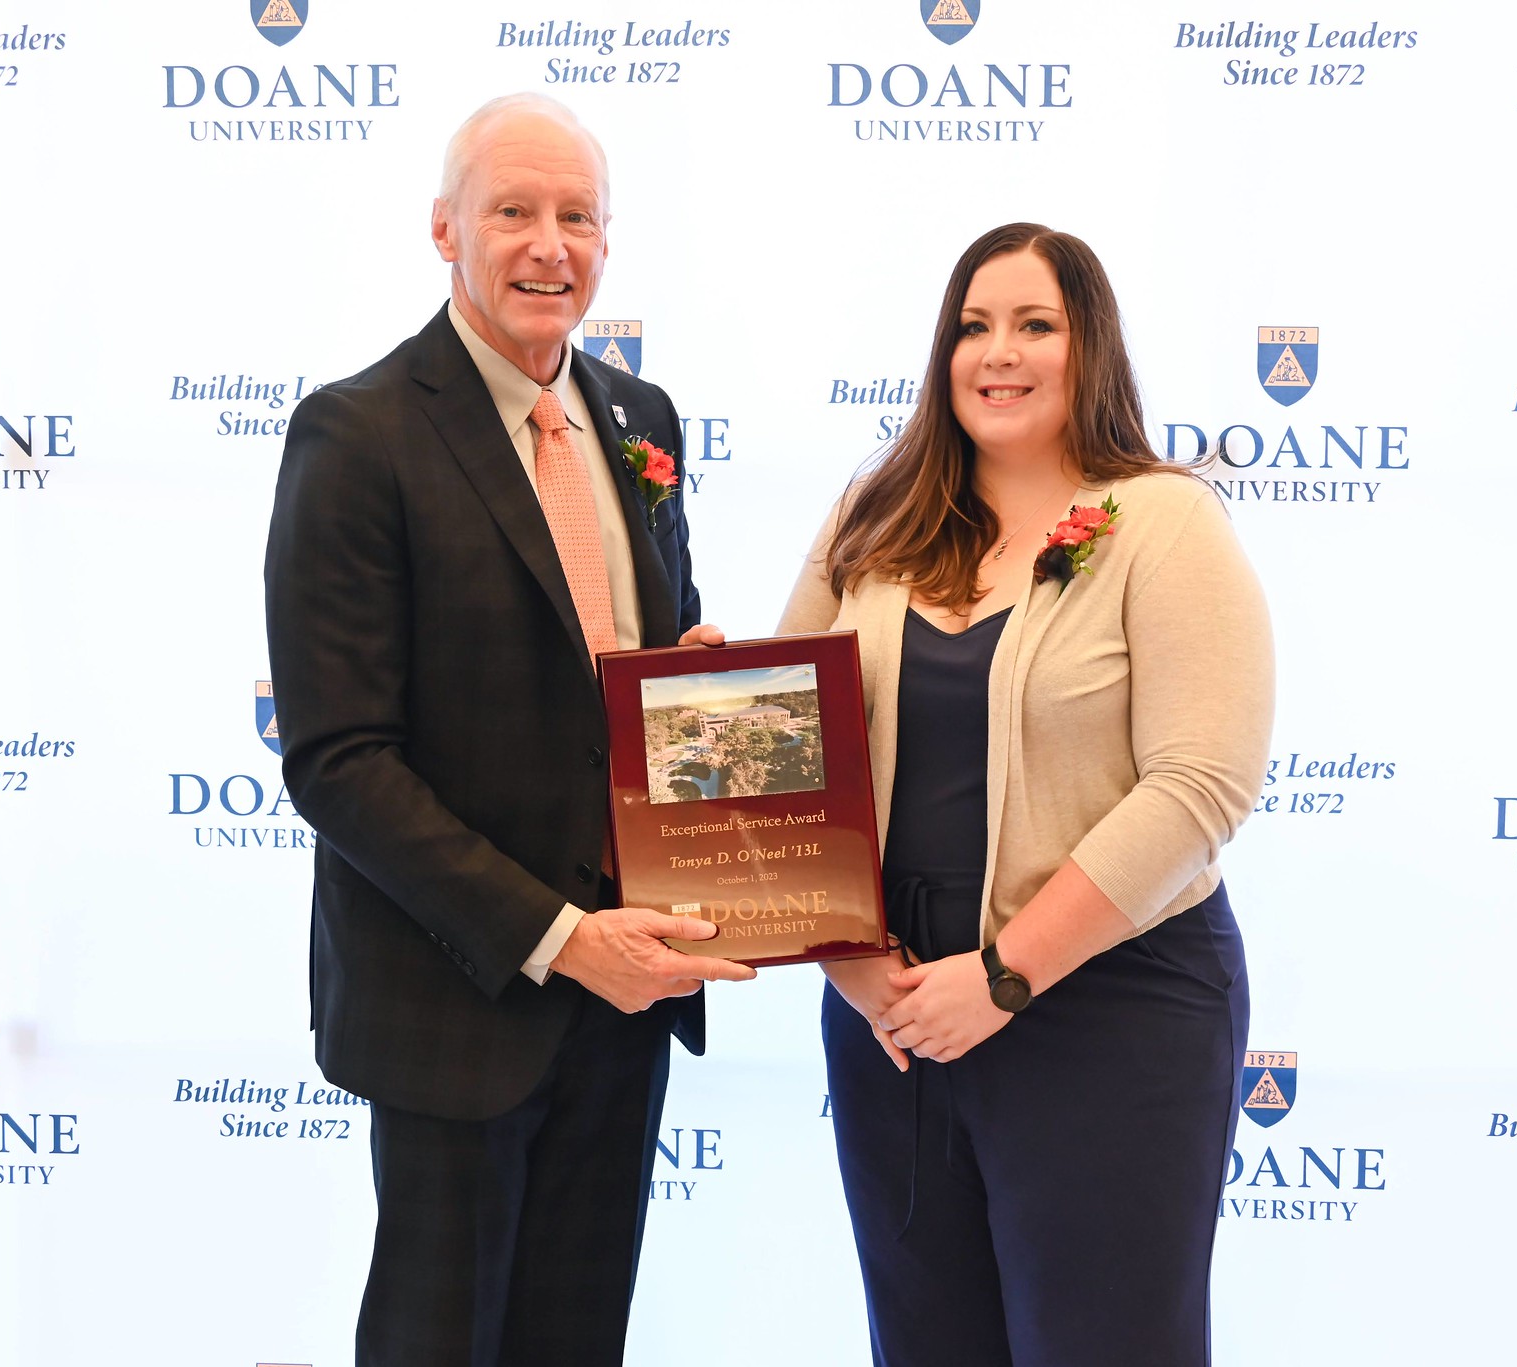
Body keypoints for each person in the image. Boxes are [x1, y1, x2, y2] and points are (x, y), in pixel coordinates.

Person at [264, 93, 754, 1367]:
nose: (552, 244)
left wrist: (693, 686)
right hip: (461, 996)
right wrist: (556, 937)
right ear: (444, 230)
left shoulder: (640, 419)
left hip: (630, 986)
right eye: (515, 213)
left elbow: (640, 659)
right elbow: (338, 758)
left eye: (578, 216)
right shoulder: (357, 431)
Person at [777, 223, 1274, 1366]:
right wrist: (854, 964)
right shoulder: (875, 515)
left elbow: (1201, 782)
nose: (997, 351)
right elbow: (779, 738)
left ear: (1086, 346)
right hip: (895, 1016)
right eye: (972, 325)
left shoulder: (1162, 517)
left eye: (1034, 324)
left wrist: (1004, 974)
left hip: (1111, 1009)